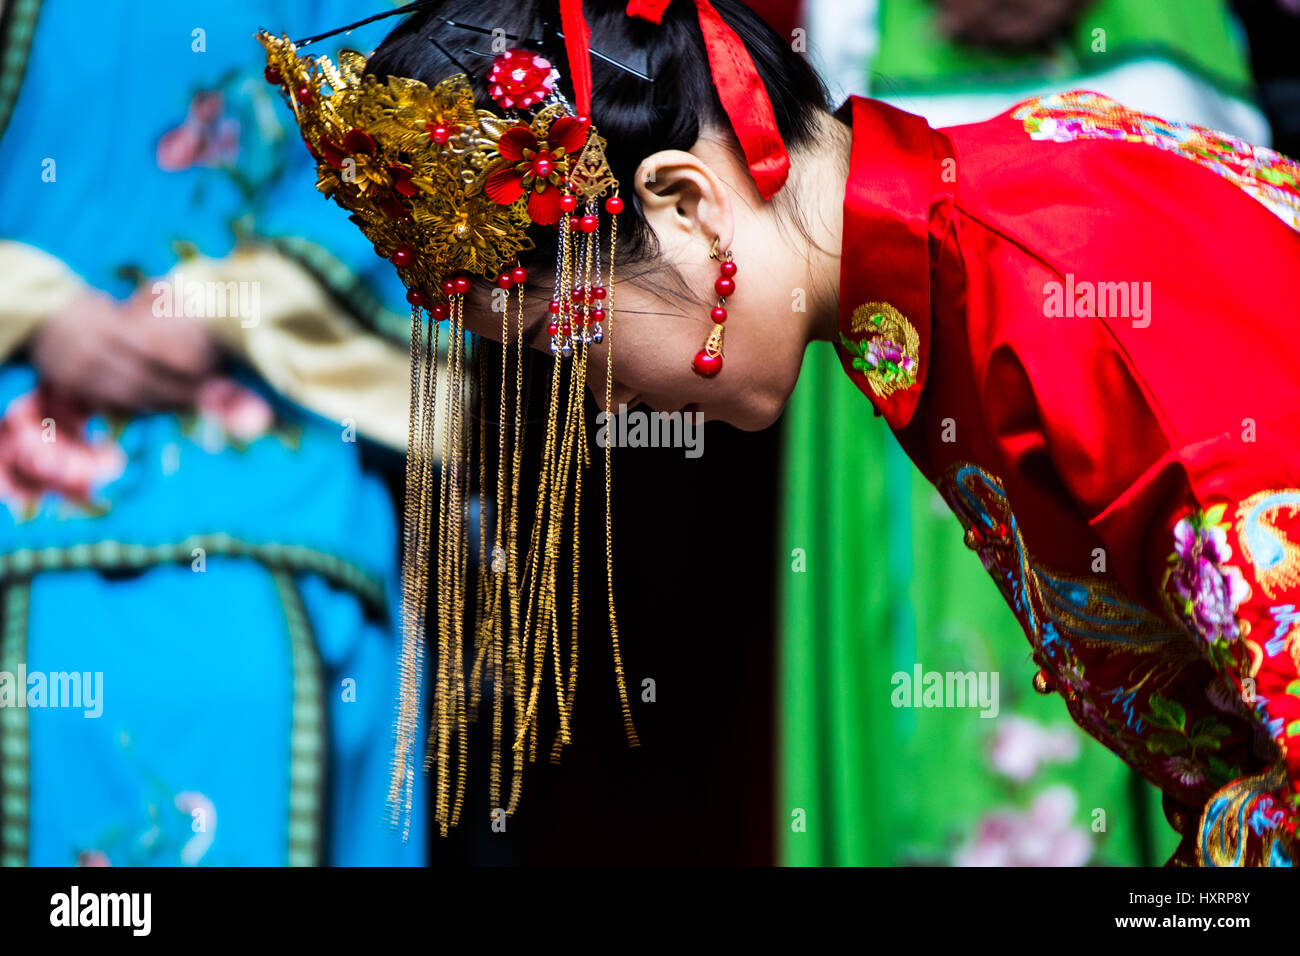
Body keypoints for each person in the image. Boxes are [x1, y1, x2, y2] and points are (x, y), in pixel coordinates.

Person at [264, 0, 1300, 865]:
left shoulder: (1045, 286)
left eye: (566, 339)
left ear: (683, 200)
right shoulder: (956, 262)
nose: (603, 402)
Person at [0, 0, 426, 865]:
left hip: (287, 460)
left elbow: (413, 121)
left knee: (252, 673)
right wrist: (34, 306)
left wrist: (226, 306)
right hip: (24, 444)